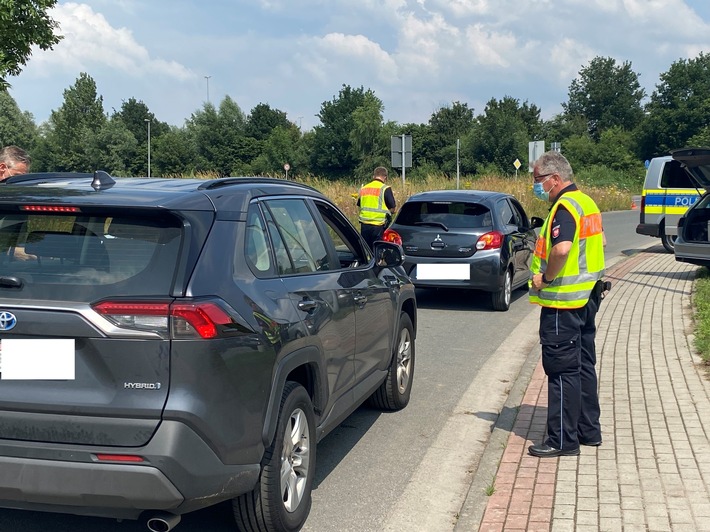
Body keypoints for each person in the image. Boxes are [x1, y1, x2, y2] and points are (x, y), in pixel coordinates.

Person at [527, 151, 606, 458]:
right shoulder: (587, 203)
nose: (536, 186)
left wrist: (545, 279)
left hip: (563, 303)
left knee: (561, 371)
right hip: (587, 298)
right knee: (584, 365)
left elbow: (561, 249)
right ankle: (589, 431)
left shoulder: (564, 207)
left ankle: (562, 440)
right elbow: (601, 243)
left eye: (538, 180)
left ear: (555, 179)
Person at [357, 166, 396, 249]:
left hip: (364, 224)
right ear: (385, 177)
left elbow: (359, 204)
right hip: (378, 225)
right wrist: (389, 213)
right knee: (377, 250)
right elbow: (392, 208)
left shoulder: (364, 188)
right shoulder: (385, 188)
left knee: (366, 250)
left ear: (373, 176)